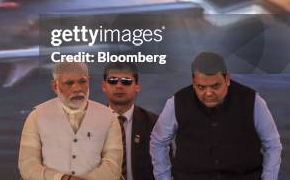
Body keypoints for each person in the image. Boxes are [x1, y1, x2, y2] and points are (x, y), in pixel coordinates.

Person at [150, 51, 282, 180]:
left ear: (227, 79)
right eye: (201, 87)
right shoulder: (176, 102)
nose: (208, 93)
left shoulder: (253, 101)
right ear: (193, 81)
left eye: (215, 86)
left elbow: (272, 144)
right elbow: (158, 141)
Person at [19, 62, 123, 180]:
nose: (77, 88)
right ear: (55, 86)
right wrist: (61, 178)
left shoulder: (109, 117)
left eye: (82, 82)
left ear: (88, 81)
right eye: (69, 83)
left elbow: (113, 166)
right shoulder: (37, 116)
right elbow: (28, 166)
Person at [101, 62, 157, 180]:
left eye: (126, 81)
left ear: (137, 86)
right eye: (112, 81)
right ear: (104, 86)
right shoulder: (91, 122)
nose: (119, 86)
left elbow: (165, 166)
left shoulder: (154, 123)